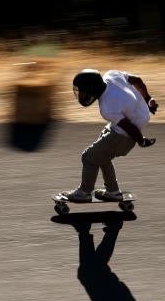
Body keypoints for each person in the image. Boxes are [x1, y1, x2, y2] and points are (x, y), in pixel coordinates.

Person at [61, 69, 159, 202]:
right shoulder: (111, 75)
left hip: (126, 134)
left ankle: (84, 192)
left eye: (82, 92)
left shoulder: (107, 107)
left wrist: (141, 141)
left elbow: (129, 127)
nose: (81, 96)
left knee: (89, 157)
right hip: (136, 115)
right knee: (101, 155)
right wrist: (148, 99)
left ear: (92, 89)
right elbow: (137, 80)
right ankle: (113, 191)